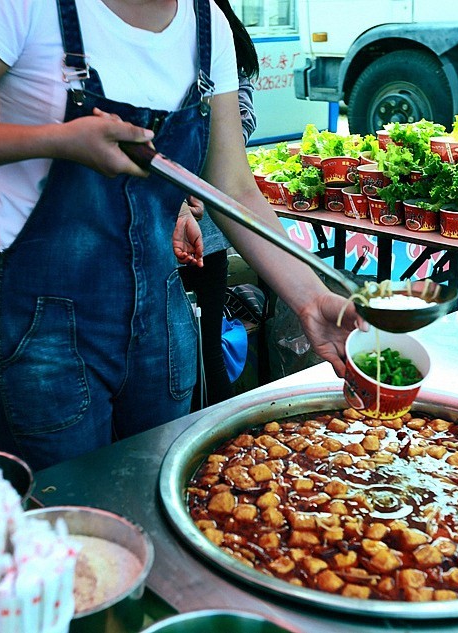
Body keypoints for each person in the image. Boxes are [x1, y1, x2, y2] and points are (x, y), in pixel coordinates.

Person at [0, 0, 357, 471]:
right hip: (44, 330)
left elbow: (233, 188)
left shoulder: (209, 22)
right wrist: (55, 140)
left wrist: (311, 298)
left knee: (156, 496)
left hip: (162, 327)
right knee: (64, 513)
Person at [177, 0, 258, 409]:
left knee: (206, 349)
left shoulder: (216, 30)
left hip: (207, 234)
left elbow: (239, 129)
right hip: (150, 248)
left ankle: (209, 426)